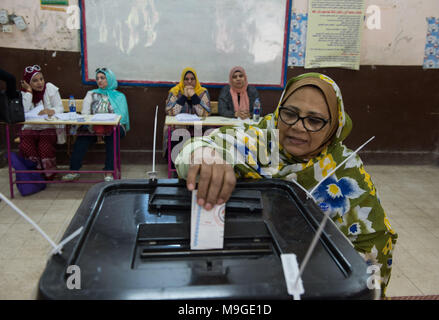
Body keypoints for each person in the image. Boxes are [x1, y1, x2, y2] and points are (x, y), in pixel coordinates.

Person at [174, 72, 397, 297]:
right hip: (253, 271)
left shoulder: (345, 169)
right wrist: (204, 154)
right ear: (279, 109)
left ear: (334, 126)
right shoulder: (261, 138)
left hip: (319, 279)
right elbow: (192, 150)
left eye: (314, 120)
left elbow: (373, 246)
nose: (299, 127)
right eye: (290, 114)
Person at [62, 68, 130, 182]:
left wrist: (108, 121)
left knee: (113, 135)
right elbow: (85, 113)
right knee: (83, 135)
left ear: (110, 79)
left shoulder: (119, 96)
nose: (99, 81)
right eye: (97, 78)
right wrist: (94, 122)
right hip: (93, 125)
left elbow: (121, 116)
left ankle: (109, 171)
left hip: (113, 126)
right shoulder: (91, 94)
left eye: (103, 78)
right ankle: (74, 170)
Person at [19, 64, 64, 180]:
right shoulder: (24, 94)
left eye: (41, 79)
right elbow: (22, 111)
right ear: (28, 83)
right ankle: (35, 173)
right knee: (26, 145)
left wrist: (51, 111)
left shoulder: (50, 88)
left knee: (44, 146)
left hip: (47, 126)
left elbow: (60, 108)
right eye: (34, 81)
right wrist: (29, 92)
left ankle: (49, 173)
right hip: (30, 128)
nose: (40, 83)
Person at [163, 67, 211, 169]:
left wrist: (193, 96)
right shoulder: (175, 92)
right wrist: (184, 96)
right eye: (186, 79)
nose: (189, 82)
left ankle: (199, 167)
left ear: (196, 80)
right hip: (179, 127)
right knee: (177, 134)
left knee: (206, 135)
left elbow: (204, 113)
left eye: (192, 79)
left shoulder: (202, 92)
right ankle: (176, 167)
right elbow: (170, 112)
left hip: (198, 128)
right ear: (182, 80)